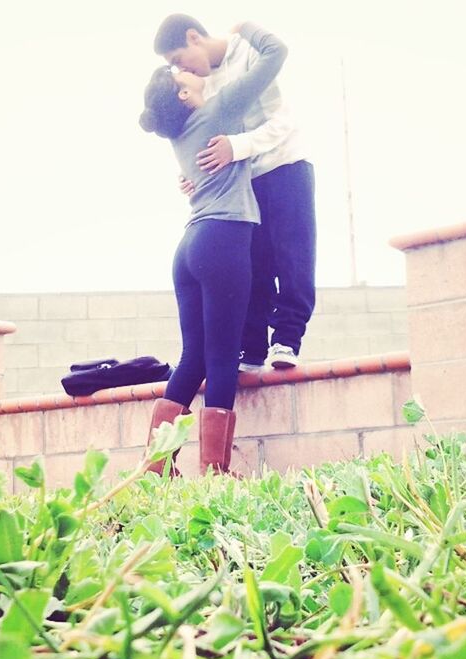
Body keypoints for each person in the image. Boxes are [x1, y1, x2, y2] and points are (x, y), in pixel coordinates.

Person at [139, 22, 287, 475]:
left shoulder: (179, 135)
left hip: (188, 250)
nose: (179, 69)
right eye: (176, 74)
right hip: (222, 240)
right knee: (222, 359)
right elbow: (275, 54)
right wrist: (247, 29)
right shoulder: (218, 111)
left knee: (194, 358)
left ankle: (155, 467)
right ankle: (215, 474)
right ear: (184, 95)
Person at [154, 14, 316, 372]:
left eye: (178, 60)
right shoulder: (201, 86)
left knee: (294, 259)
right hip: (244, 185)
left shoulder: (246, 53)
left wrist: (237, 146)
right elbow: (202, 134)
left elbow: (284, 120)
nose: (183, 70)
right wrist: (191, 174)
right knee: (253, 266)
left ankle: (287, 341)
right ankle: (253, 349)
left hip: (285, 165)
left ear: (194, 37)